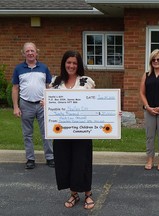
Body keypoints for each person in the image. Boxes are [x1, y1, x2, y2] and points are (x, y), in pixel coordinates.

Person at [50, 50, 96, 209]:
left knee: (82, 162)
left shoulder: (86, 81)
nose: (71, 65)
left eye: (75, 63)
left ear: (79, 65)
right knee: (65, 163)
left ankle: (88, 194)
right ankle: (74, 194)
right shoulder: (55, 82)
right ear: (64, 63)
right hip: (61, 132)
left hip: (82, 131)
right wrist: (46, 104)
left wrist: (111, 112)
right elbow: (50, 103)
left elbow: (96, 103)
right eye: (69, 62)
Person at [12, 42, 54, 169]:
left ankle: (50, 157)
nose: (30, 53)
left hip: (42, 104)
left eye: (32, 51)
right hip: (26, 104)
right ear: (23, 53)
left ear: (37, 52)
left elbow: (49, 86)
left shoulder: (44, 68)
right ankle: (30, 159)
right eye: (27, 51)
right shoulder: (18, 69)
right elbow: (15, 88)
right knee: (27, 134)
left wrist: (49, 102)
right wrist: (15, 106)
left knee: (46, 132)